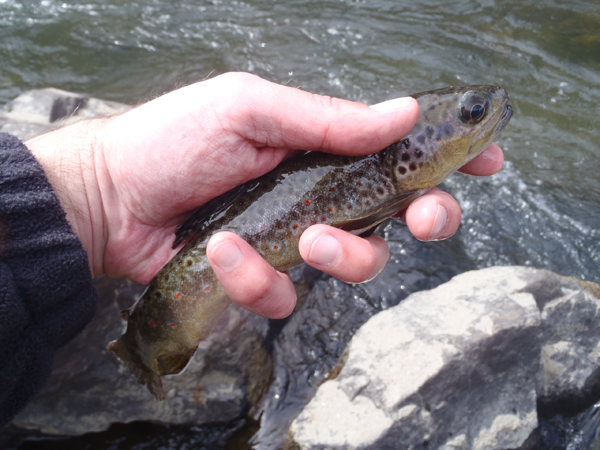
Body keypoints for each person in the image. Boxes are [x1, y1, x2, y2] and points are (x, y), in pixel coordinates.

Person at [0, 72, 504, 427]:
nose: (486, 111)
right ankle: (145, 348)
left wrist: (98, 185)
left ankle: (148, 348)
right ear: (415, 147)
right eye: (472, 113)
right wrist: (99, 183)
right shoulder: (402, 166)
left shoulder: (410, 175)